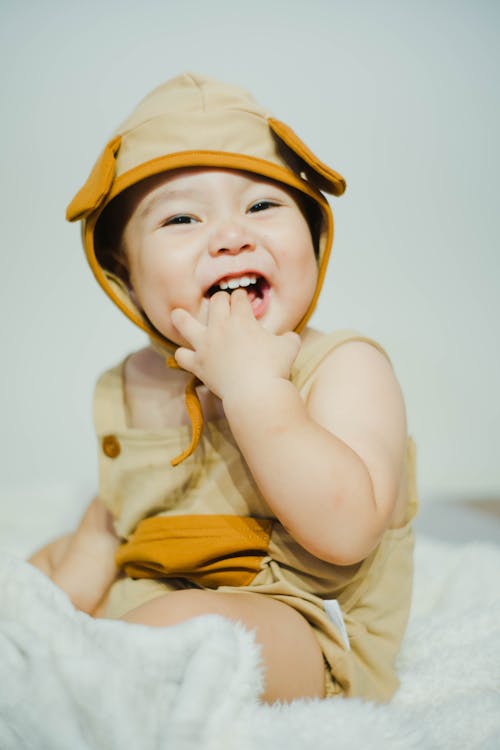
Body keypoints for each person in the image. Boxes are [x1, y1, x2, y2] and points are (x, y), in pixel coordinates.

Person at [29, 72, 418, 704]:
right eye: (181, 217)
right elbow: (121, 514)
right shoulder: (127, 384)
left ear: (314, 237)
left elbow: (347, 533)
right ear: (124, 273)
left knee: (188, 638)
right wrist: (63, 589)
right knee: (43, 571)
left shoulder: (345, 367)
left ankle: (100, 666)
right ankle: (58, 655)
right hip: (156, 590)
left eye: (263, 205)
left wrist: (254, 390)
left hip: (302, 623)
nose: (232, 234)